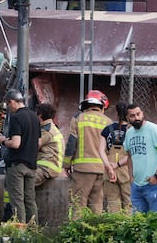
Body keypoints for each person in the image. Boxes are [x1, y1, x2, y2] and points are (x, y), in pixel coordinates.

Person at [63, 91, 112, 219]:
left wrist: (67, 164)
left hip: (83, 170)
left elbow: (71, 143)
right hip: (102, 170)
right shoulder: (108, 122)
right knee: (96, 204)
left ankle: (76, 234)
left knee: (78, 204)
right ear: (101, 106)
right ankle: (94, 235)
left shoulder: (79, 119)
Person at [0, 89, 40, 223]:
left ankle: (20, 234)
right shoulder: (34, 117)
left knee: (17, 200)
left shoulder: (17, 117)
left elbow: (15, 143)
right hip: (32, 166)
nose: (8, 108)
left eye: (8, 105)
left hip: (17, 166)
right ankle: (33, 231)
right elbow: (38, 143)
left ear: (12, 102)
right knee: (30, 201)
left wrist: (3, 140)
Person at [123, 103, 157, 213]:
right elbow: (129, 155)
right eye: (132, 116)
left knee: (156, 221)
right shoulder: (129, 133)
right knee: (138, 223)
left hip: (154, 185)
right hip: (137, 186)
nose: (137, 118)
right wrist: (131, 177)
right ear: (127, 118)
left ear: (142, 114)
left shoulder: (153, 129)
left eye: (138, 114)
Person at [99, 102, 131, 213]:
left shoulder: (107, 130)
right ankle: (129, 228)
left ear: (116, 113)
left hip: (109, 169)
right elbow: (131, 154)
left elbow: (101, 151)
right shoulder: (131, 131)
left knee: (112, 202)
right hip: (127, 169)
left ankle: (115, 227)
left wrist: (109, 167)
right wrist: (118, 164)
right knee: (129, 202)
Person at [35, 103, 64, 187]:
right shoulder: (53, 127)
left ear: (40, 116)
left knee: (19, 182)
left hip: (46, 167)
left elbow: (34, 146)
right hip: (51, 166)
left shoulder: (47, 130)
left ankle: (10, 201)